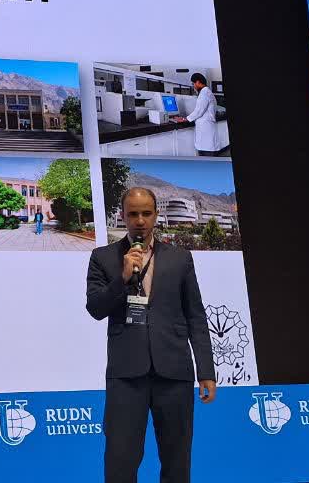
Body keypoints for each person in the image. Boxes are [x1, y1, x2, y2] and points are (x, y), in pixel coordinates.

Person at [86, 188, 216, 483]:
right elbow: (95, 308)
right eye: (133, 214)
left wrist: (206, 371)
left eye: (146, 213)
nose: (140, 221)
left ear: (156, 215)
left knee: (177, 459)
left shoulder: (180, 258)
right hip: (126, 374)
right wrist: (122, 279)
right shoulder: (102, 257)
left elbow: (195, 315)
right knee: (120, 461)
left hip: (174, 371)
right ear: (123, 216)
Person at [172, 73, 220, 157]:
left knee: (207, 156)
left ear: (198, 82)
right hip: (207, 129)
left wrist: (184, 119)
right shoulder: (207, 92)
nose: (193, 86)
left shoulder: (204, 93)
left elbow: (199, 111)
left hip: (206, 131)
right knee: (207, 154)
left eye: (193, 84)